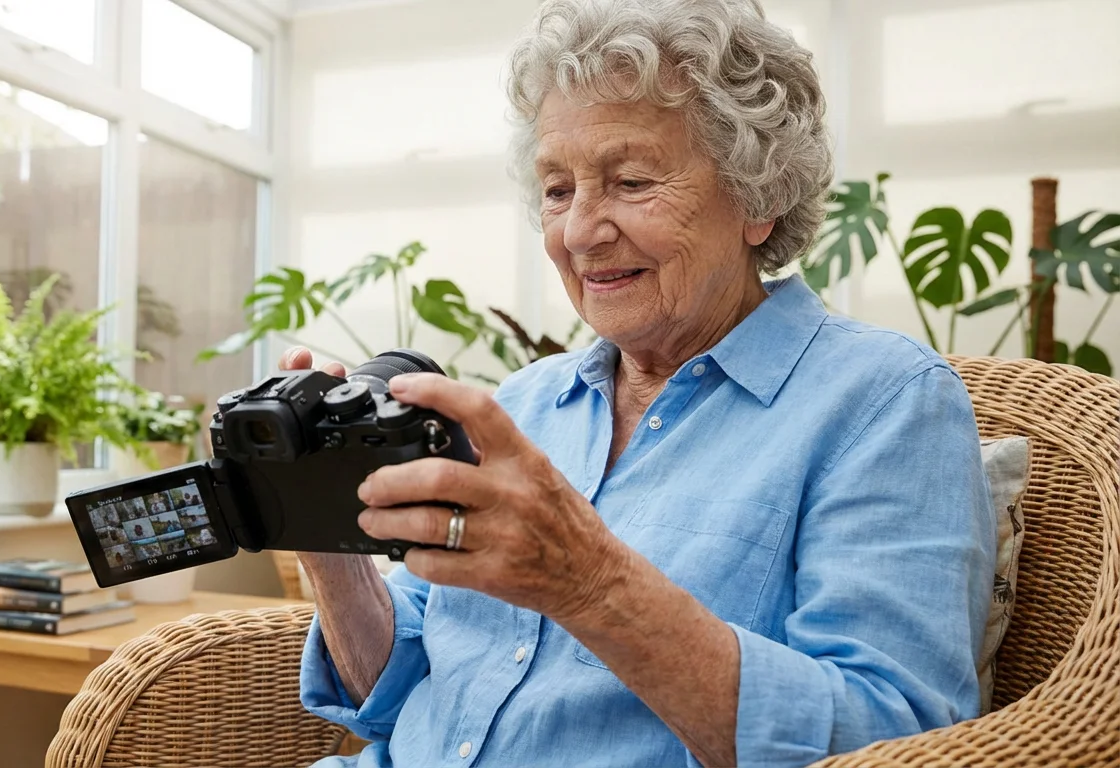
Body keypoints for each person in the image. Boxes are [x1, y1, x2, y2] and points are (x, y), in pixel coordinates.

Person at [291, 0, 996, 765]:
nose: (580, 231)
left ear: (758, 199)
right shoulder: (523, 405)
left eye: (629, 181)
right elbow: (390, 698)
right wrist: (323, 542)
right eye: (557, 190)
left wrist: (591, 583)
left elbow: (892, 736)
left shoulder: (884, 404)